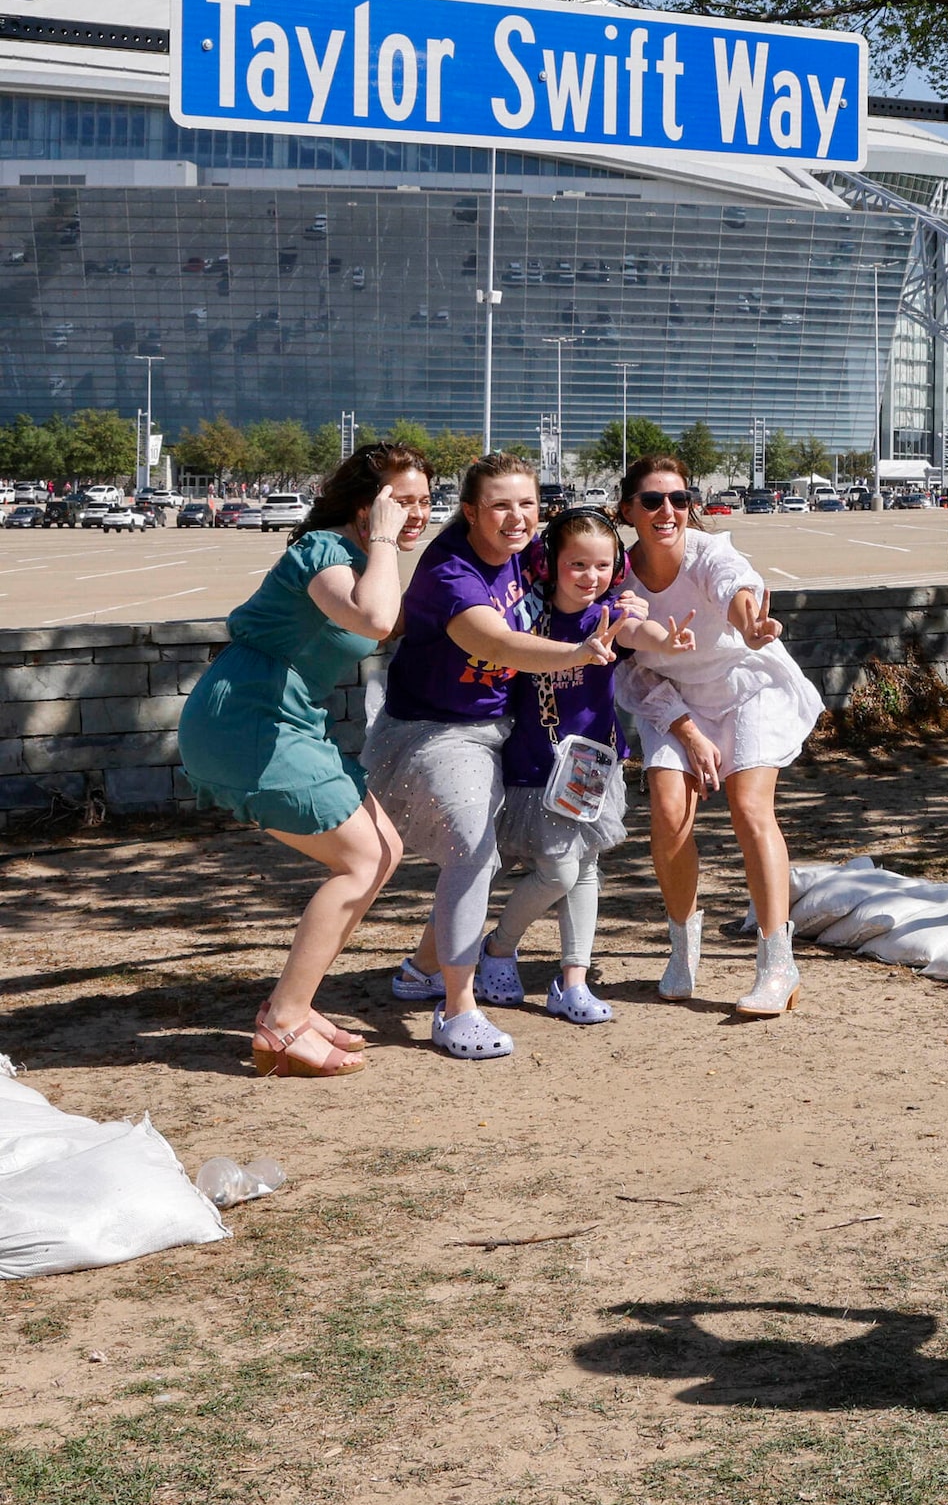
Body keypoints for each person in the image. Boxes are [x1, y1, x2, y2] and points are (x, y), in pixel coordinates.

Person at [176, 443, 432, 1077]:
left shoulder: (365, 558)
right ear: (367, 504)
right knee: (361, 858)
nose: (415, 514)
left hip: (290, 721)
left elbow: (394, 614)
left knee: (385, 850)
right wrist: (382, 539)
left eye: (424, 501)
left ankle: (295, 1003)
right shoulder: (323, 552)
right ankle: (283, 1024)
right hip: (247, 721)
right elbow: (374, 618)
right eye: (402, 501)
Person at [367, 453, 626, 1062]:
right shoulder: (451, 571)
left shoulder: (527, 551)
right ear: (470, 512)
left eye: (528, 504)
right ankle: (458, 1009)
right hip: (437, 732)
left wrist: (636, 608)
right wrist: (581, 654)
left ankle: (422, 969)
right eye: (501, 506)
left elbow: (601, 562)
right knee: (472, 851)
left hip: (504, 727)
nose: (517, 518)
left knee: (507, 856)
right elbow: (499, 642)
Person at [615, 453, 827, 1014]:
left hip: (744, 686)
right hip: (671, 699)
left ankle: (777, 963)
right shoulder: (617, 573)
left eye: (680, 499)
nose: (668, 511)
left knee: (748, 806)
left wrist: (751, 623)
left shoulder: (710, 553)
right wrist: (687, 732)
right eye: (653, 500)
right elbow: (632, 663)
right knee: (667, 810)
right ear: (627, 509)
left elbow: (735, 583)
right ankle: (683, 949)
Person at [474, 507, 689, 1024]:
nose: (589, 577)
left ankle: (572, 980)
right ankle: (498, 949)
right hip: (536, 766)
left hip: (594, 766)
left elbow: (637, 633)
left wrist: (668, 641)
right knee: (558, 870)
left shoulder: (610, 613)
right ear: (551, 564)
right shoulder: (526, 618)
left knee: (585, 868)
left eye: (601, 566)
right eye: (577, 565)